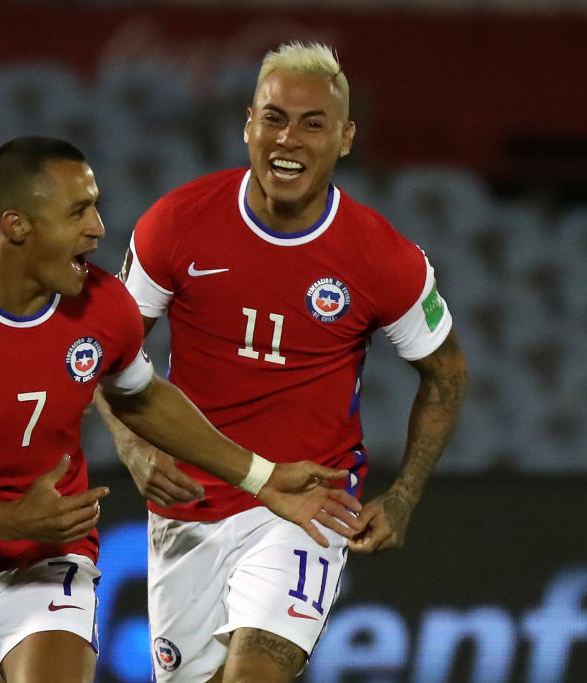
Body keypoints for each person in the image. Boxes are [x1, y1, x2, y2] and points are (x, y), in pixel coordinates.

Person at [0, 135, 363, 683]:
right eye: (78, 212)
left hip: (43, 554)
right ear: (17, 225)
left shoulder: (102, 307)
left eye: (94, 206)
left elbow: (140, 397)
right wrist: (6, 518)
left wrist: (261, 476)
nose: (97, 227)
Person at [95, 42, 469, 682]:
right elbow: (106, 349)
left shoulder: (384, 258)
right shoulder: (176, 225)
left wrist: (404, 496)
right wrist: (134, 449)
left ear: (346, 138)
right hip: (192, 502)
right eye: (274, 118)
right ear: (248, 124)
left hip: (308, 501)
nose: (287, 139)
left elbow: (447, 374)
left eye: (312, 123)